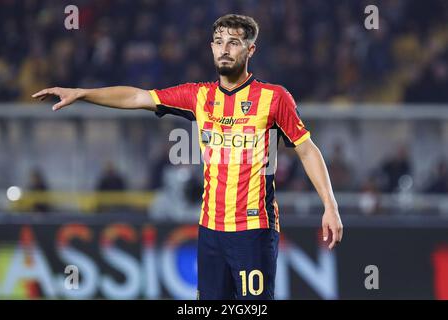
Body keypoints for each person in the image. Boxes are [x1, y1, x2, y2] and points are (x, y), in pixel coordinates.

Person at [32, 14, 343, 300]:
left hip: (254, 230)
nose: (225, 49)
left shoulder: (274, 98)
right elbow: (139, 96)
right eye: (219, 42)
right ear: (211, 47)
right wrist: (83, 92)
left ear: (250, 50)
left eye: (233, 43)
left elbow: (306, 149)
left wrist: (330, 206)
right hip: (210, 231)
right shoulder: (199, 96)